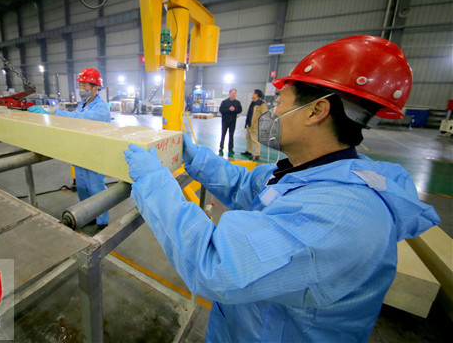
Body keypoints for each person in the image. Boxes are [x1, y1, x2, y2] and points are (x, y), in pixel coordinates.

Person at [123, 36, 440, 342]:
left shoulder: (340, 215)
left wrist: (153, 183)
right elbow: (247, 186)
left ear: (316, 111)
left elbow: (214, 265)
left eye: (279, 104)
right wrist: (195, 158)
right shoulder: (309, 171)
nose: (271, 114)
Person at [29, 68, 111, 228]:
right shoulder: (82, 104)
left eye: (84, 85)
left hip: (95, 153)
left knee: (96, 188)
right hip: (81, 151)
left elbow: (81, 119)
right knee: (82, 187)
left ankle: (102, 223)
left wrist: (55, 114)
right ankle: (88, 215)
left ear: (95, 88)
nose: (81, 89)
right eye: (80, 85)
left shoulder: (101, 107)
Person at [241, 89, 268, 160]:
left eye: (253, 93)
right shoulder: (253, 102)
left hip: (255, 125)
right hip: (249, 124)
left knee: (255, 140)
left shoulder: (262, 103)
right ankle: (249, 151)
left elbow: (265, 115)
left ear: (256, 94)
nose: (252, 95)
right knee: (249, 138)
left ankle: (256, 154)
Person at [218, 88, 242, 155]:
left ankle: (230, 148)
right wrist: (229, 109)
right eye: (232, 93)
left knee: (231, 135)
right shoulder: (224, 102)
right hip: (225, 121)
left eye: (235, 93)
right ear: (229, 94)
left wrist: (234, 110)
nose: (234, 94)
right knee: (223, 134)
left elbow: (240, 110)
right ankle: (221, 147)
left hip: (233, 121)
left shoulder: (237, 103)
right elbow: (221, 110)